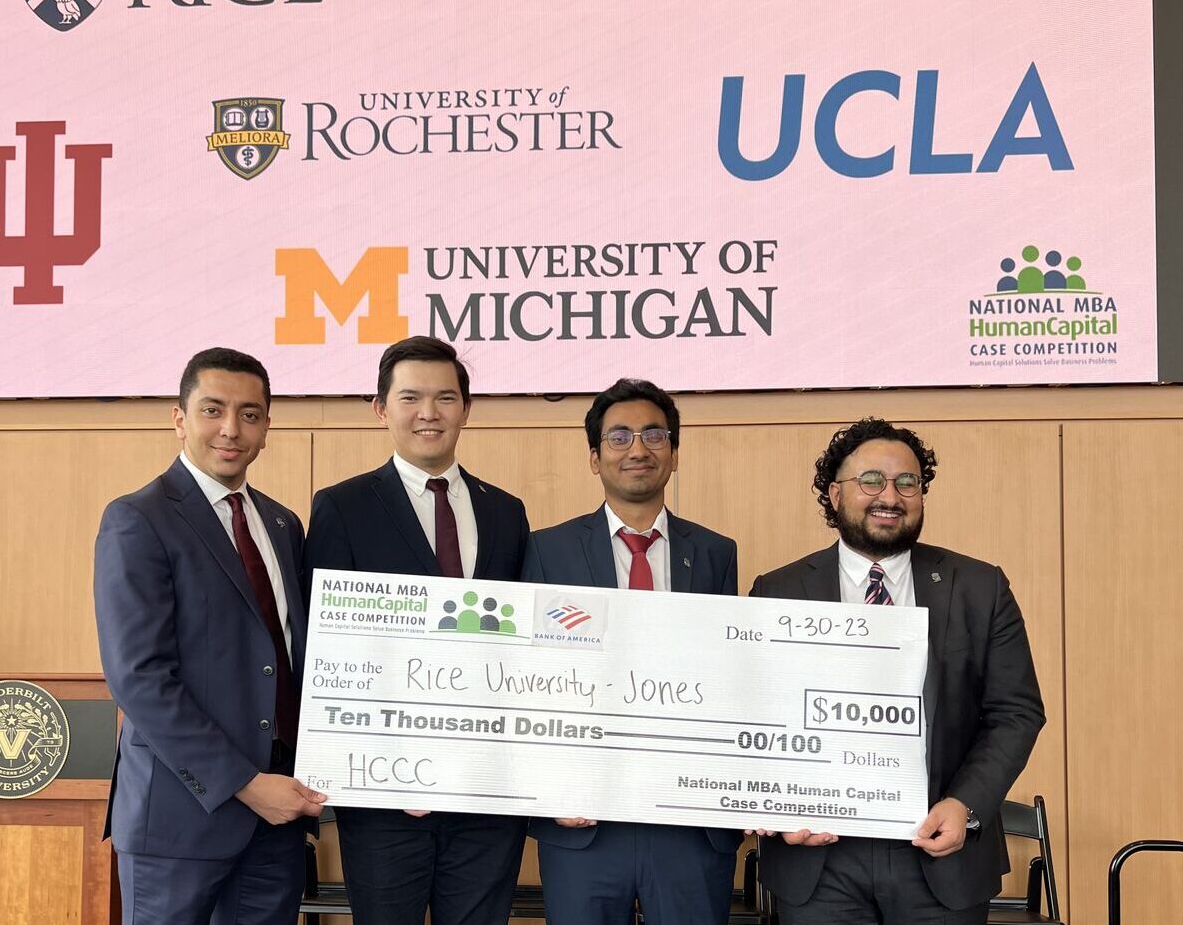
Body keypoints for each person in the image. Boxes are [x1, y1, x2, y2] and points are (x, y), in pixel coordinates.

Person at [750, 417, 1045, 925]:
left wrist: (966, 804)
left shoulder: (979, 587)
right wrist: (778, 806)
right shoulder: (777, 591)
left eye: (907, 482)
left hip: (939, 853)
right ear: (834, 493)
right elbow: (748, 715)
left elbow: (1015, 712)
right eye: (871, 481)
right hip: (819, 858)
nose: (890, 495)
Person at [303, 336, 530, 925]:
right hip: (385, 796)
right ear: (380, 408)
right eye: (410, 397)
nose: (428, 413)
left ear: (466, 409)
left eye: (445, 398)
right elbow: (324, 652)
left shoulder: (507, 511)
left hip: (487, 796)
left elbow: (525, 653)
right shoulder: (341, 507)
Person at [94, 348, 325, 925]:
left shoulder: (281, 524)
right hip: (180, 816)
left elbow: (291, 659)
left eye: (250, 414)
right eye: (212, 409)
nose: (231, 429)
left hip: (278, 816)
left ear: (267, 428)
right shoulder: (138, 519)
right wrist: (246, 784)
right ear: (179, 417)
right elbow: (140, 679)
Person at [521, 378, 744, 925]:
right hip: (584, 821)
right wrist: (549, 787)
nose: (638, 449)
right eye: (619, 437)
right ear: (595, 458)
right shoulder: (547, 550)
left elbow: (729, 677)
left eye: (654, 435)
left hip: (689, 822)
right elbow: (525, 677)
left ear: (674, 453)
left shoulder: (716, 553)